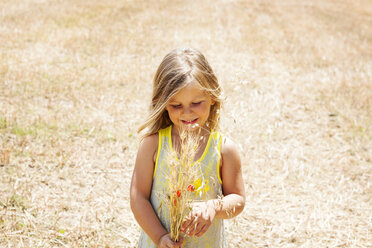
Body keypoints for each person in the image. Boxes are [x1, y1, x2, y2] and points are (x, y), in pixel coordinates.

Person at [130, 48, 245, 248]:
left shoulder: (224, 149)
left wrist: (214, 207)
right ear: (163, 104)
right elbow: (138, 197)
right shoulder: (153, 145)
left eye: (196, 103)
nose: (187, 112)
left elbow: (238, 199)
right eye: (176, 105)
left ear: (212, 98)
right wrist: (159, 237)